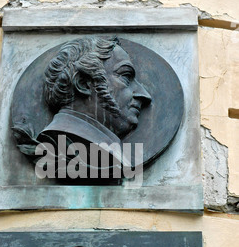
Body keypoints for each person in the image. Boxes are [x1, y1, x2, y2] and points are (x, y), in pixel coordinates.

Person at [35, 36, 152, 181]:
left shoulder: (111, 148)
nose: (144, 94)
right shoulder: (59, 140)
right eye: (125, 76)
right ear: (83, 83)